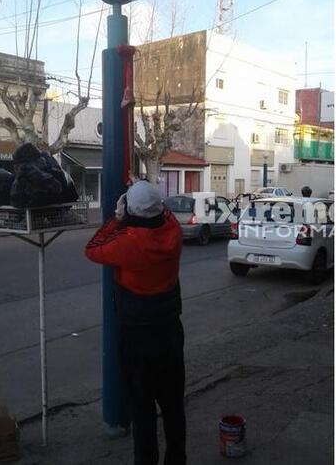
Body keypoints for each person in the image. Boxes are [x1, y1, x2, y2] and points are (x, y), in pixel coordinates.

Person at [85, 180, 186, 465]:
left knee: (142, 412)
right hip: (169, 331)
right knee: (173, 406)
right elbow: (162, 213)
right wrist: (141, 194)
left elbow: (92, 248)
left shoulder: (126, 243)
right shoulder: (174, 232)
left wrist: (117, 219)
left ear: (129, 211)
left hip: (137, 338)